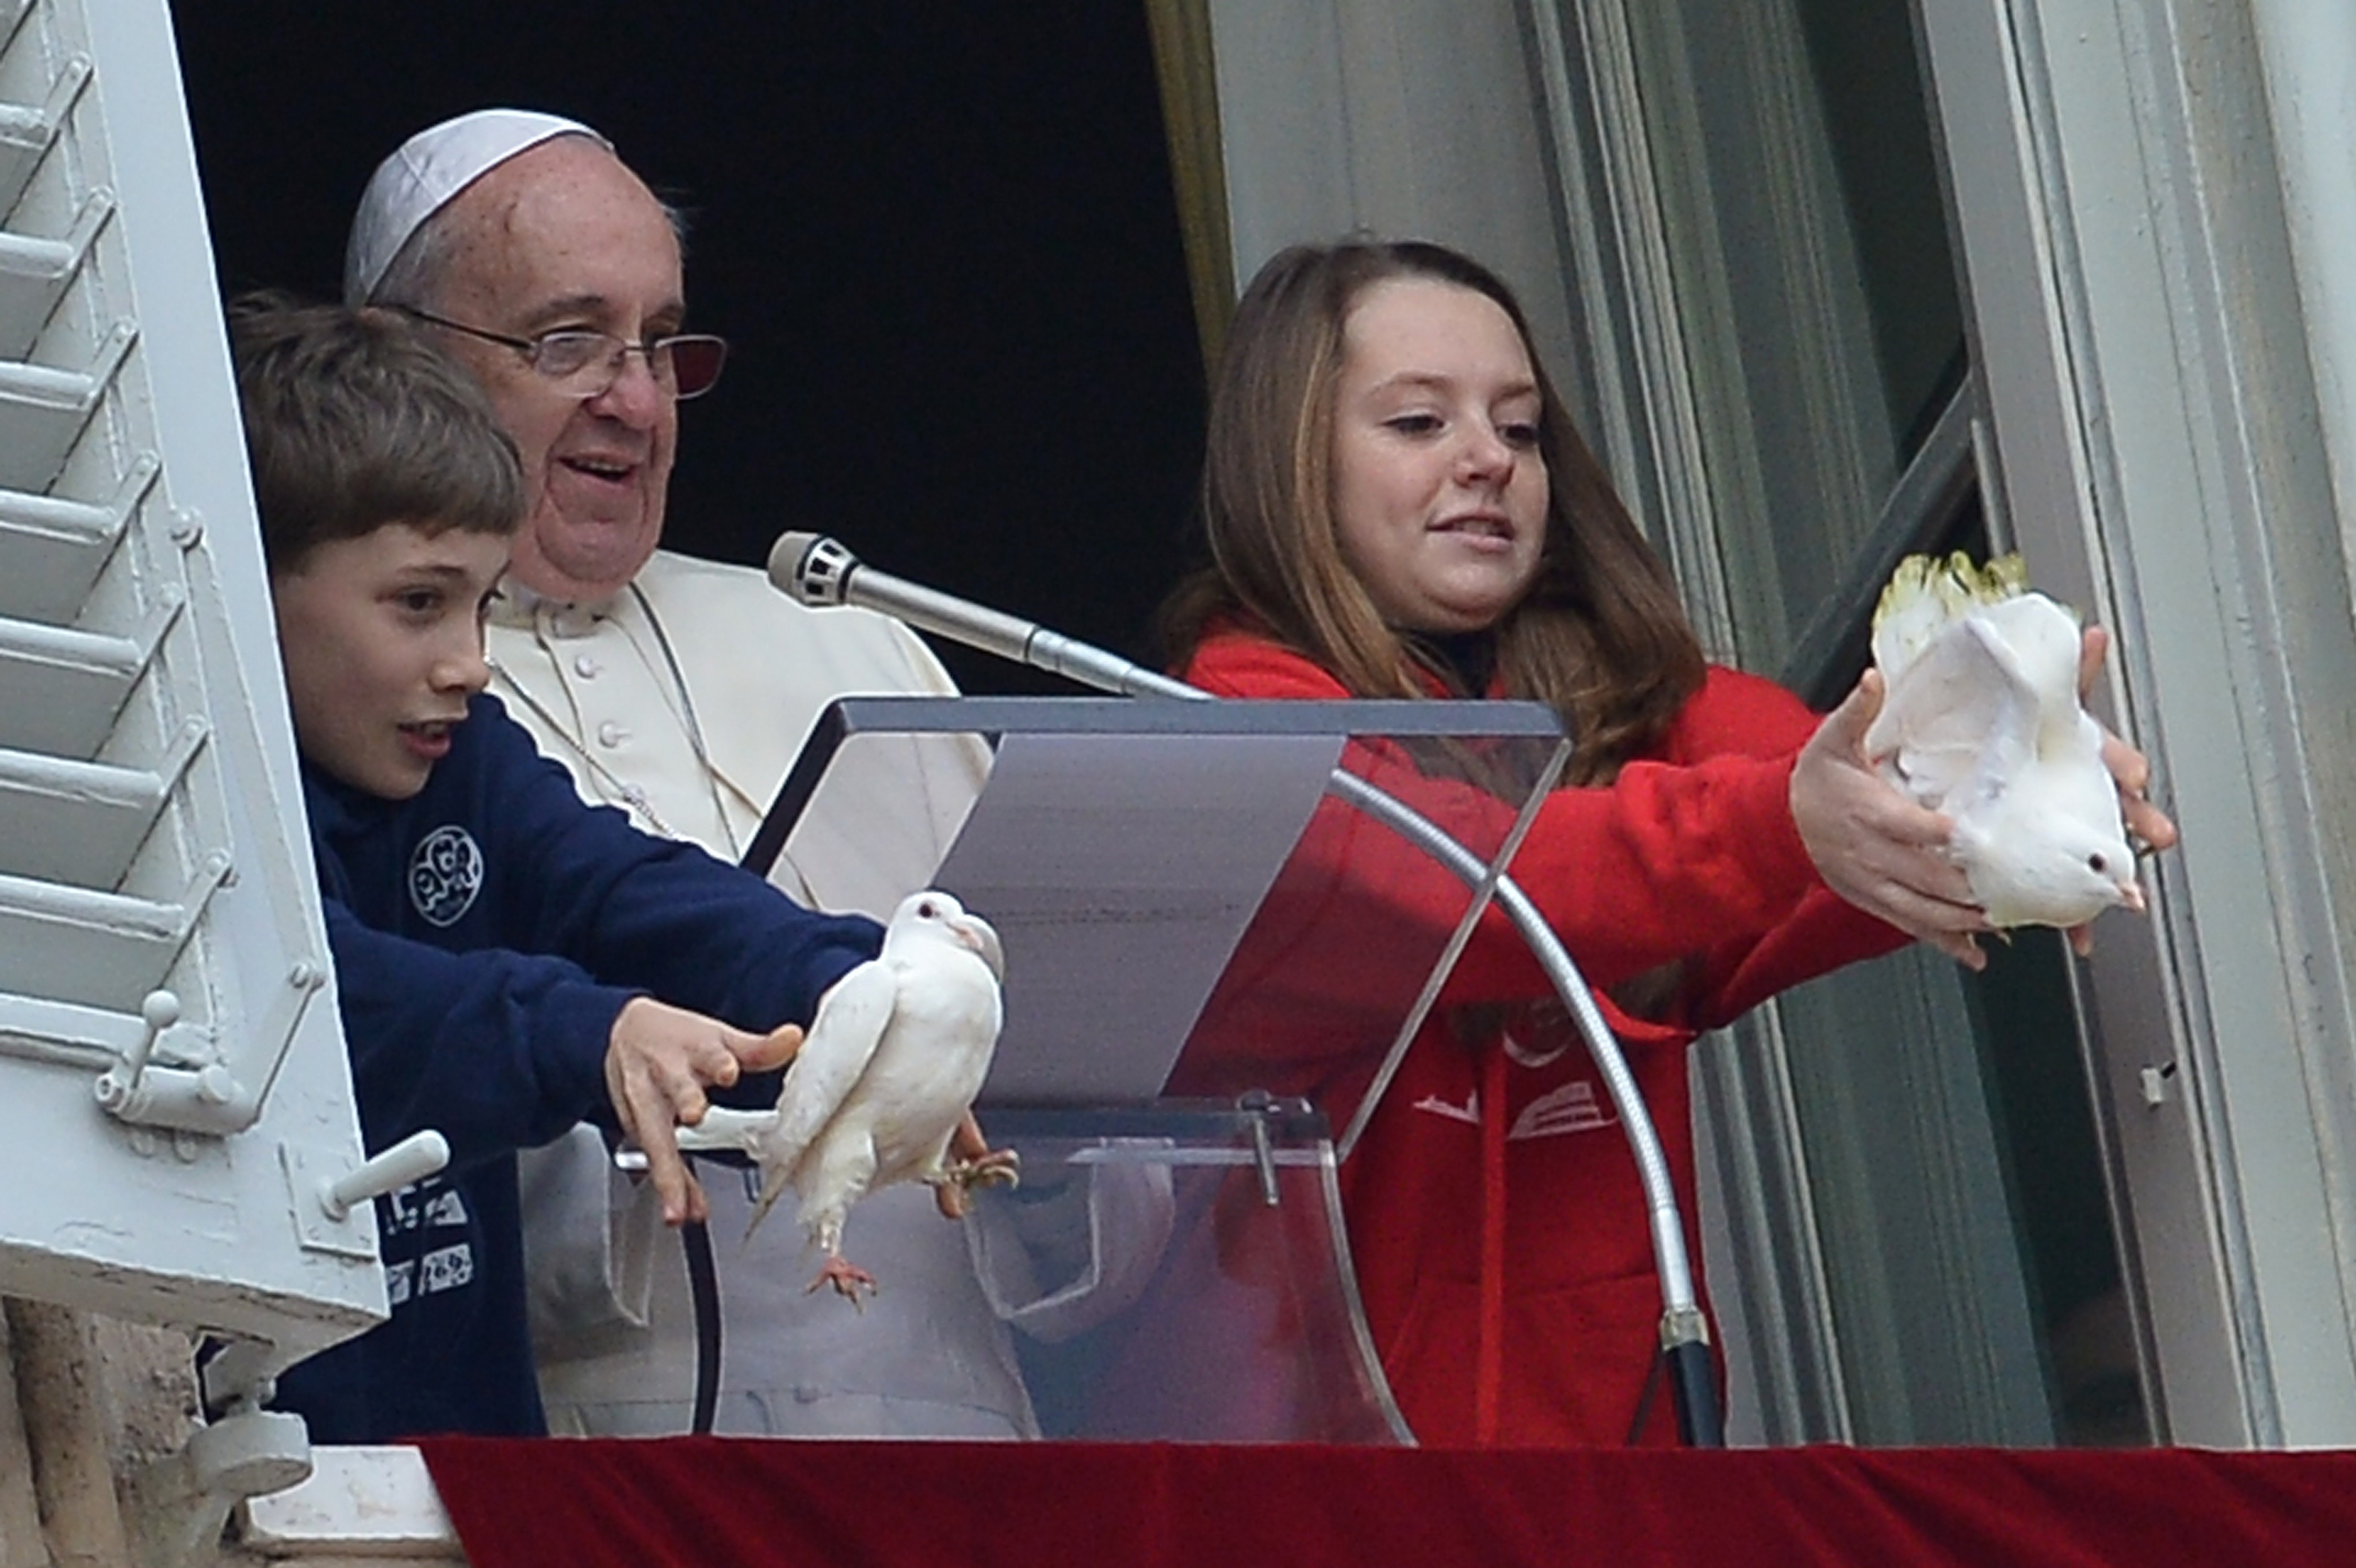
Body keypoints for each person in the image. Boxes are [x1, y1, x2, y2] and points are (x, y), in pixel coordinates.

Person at [1156, 238, 2179, 1447]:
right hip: (1318, 1497)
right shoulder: (1230, 725)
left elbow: (1858, 796)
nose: (1488, 458)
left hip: (1616, 1496)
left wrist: (2022, 782)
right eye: (1420, 422)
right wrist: (1790, 818)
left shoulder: (1634, 696)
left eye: (1522, 428)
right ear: (1290, 470)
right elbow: (1482, 884)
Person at [340, 110, 1139, 1438]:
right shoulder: (368, 692)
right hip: (604, 1459)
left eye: (663, 344)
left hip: (958, 1447)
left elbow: (1058, 1098)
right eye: (569, 340)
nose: (639, 400)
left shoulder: (850, 644)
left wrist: (1060, 1179)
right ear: (399, 361)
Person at [234, 298, 885, 1443]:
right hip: (248, 1477)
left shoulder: (463, 759)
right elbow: (319, 997)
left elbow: (621, 890)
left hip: (464, 1477)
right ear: (243, 588)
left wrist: (856, 984)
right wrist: (587, 1032)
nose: (471, 663)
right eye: (419, 603)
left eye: (482, 605)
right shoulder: (195, 796)